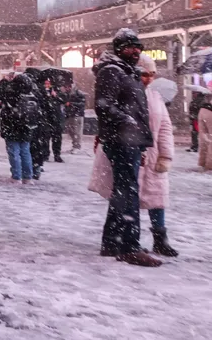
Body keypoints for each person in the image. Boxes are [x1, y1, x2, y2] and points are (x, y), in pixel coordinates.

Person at [90, 54, 178, 256]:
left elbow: (165, 127)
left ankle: (159, 238)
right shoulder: (125, 93)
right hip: (130, 151)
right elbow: (110, 118)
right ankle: (120, 240)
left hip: (152, 154)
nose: (148, 78)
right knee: (126, 197)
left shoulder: (156, 97)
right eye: (144, 73)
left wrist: (166, 155)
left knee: (157, 197)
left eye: (152, 74)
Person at [92, 28, 161, 267]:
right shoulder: (112, 71)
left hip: (130, 139)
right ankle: (129, 246)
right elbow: (104, 105)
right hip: (121, 139)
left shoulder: (127, 72)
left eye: (137, 47)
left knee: (124, 190)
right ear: (119, 48)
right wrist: (127, 123)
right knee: (128, 192)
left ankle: (113, 241)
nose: (135, 51)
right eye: (130, 47)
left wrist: (140, 142)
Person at [0, 72, 39, 184]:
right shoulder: (32, 93)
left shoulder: (11, 92)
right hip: (27, 127)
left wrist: (4, 80)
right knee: (25, 152)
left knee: (14, 151)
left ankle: (16, 176)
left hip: (12, 126)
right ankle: (28, 176)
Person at [62, 82, 87, 153]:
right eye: (65, 87)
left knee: (77, 131)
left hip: (77, 115)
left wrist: (71, 104)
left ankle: (77, 146)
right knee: (71, 130)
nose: (66, 88)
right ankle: (75, 145)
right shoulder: (67, 94)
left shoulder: (78, 93)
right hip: (70, 114)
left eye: (67, 87)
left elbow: (82, 104)